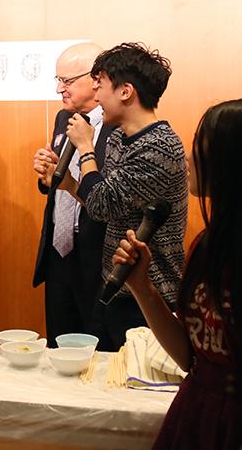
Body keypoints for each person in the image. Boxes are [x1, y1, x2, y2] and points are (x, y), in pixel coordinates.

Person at [113, 99, 242, 449]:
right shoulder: (206, 246)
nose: (189, 156)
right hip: (196, 411)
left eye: (201, 143)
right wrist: (141, 286)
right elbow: (189, 357)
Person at [61, 43, 188, 351]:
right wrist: (70, 185)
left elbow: (103, 203)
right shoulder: (120, 136)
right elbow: (108, 204)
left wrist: (85, 148)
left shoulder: (159, 147)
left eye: (100, 85)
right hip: (114, 286)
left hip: (149, 296)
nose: (96, 94)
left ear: (125, 91)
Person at [32, 42, 116, 347]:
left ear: (96, 79)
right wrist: (48, 175)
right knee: (58, 346)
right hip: (59, 250)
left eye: (66, 81)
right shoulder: (62, 119)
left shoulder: (116, 126)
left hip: (97, 253)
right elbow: (59, 180)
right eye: (58, 80)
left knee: (98, 350)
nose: (59, 89)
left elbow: (111, 196)